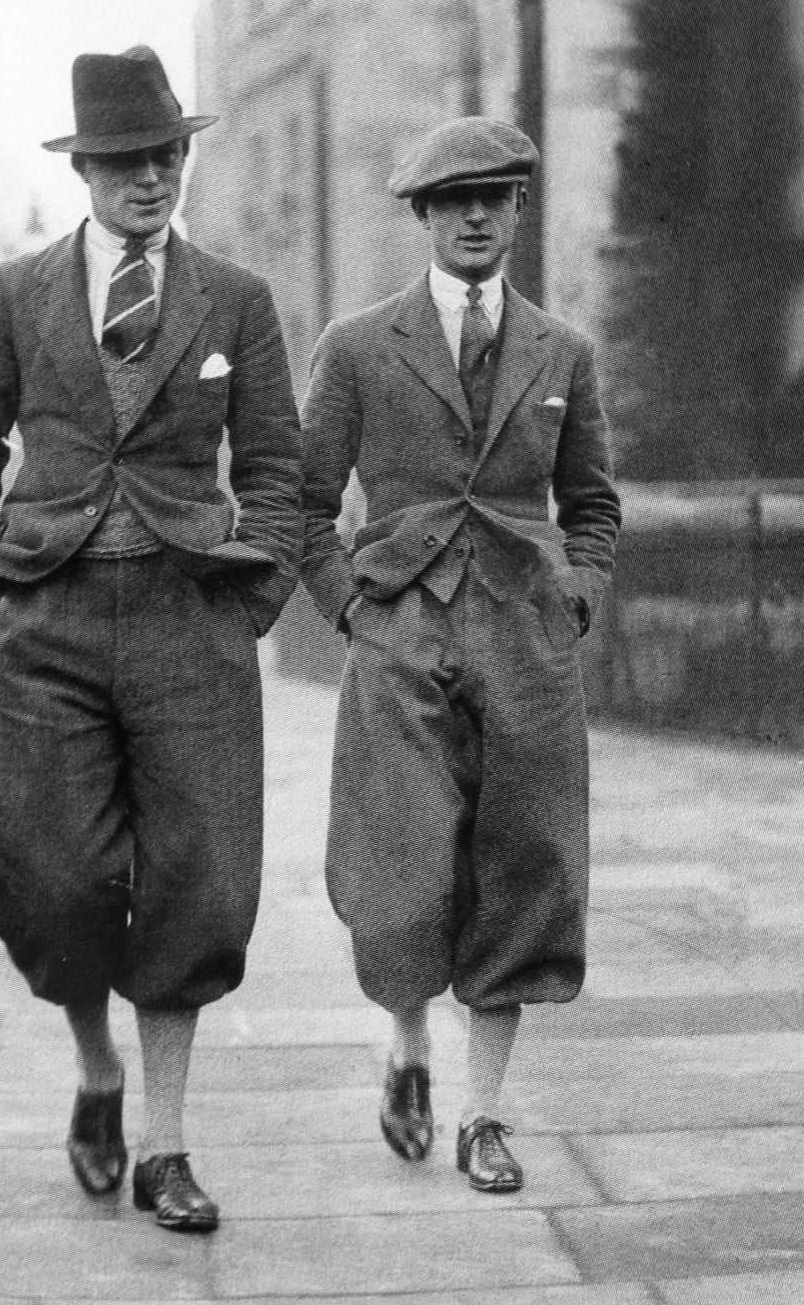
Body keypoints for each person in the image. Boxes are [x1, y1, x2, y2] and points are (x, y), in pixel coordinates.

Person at [0, 46, 301, 1232]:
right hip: (48, 615)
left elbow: (281, 471)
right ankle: (95, 1062)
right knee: (52, 876)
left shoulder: (235, 300)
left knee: (199, 882)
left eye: (168, 157)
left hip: (191, 621)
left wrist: (255, 597)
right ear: (85, 168)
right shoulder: (13, 294)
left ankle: (167, 1145)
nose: (152, 179)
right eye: (127, 161)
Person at [300, 117, 620, 1192]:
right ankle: (405, 1049)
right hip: (398, 631)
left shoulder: (562, 352)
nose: (478, 216)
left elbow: (594, 504)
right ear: (425, 217)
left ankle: (486, 1116)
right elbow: (303, 504)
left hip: (525, 643)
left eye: (497, 198)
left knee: (523, 868)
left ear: (519, 211)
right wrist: (349, 606)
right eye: (455, 201)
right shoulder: (356, 347)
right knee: (399, 873)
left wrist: (574, 594)